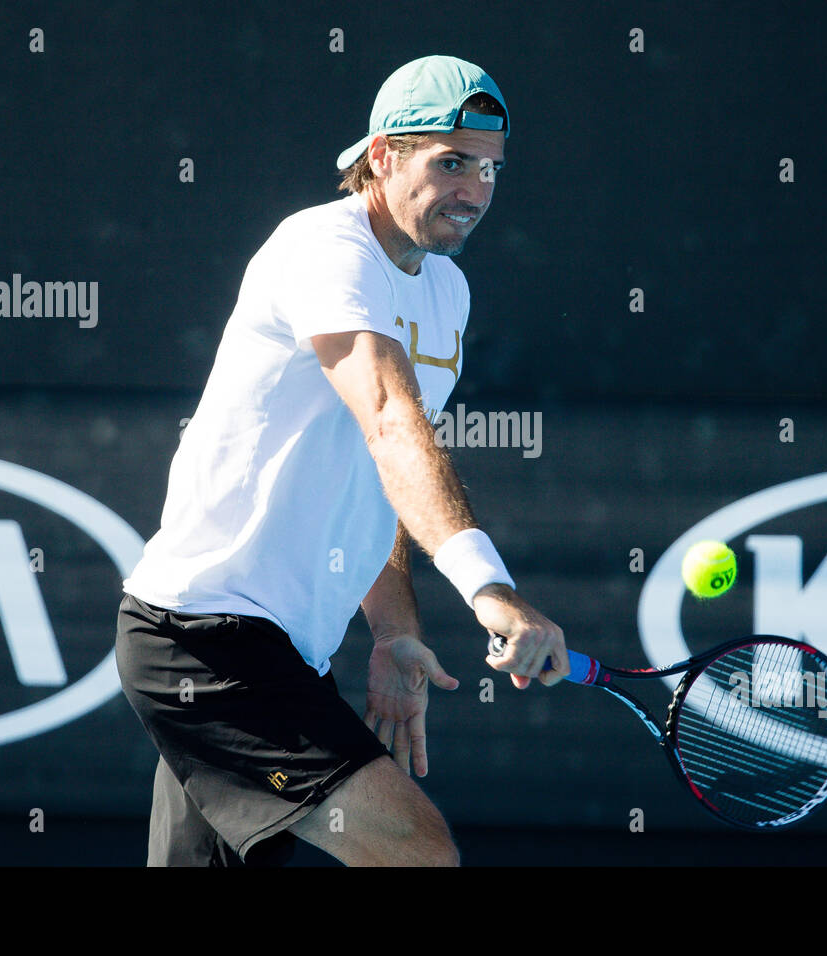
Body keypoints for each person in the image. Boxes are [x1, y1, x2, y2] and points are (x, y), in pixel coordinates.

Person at [114, 54, 568, 868]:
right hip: (207, 637)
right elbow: (393, 423)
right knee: (418, 854)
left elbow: (381, 472)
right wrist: (490, 589)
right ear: (384, 155)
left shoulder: (446, 290)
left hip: (282, 648)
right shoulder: (322, 247)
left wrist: (393, 631)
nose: (475, 190)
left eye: (491, 169)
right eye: (451, 162)